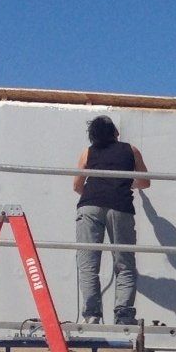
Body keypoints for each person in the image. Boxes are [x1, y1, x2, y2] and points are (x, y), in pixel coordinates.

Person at [73, 116, 149, 324]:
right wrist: (129, 185)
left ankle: (92, 316)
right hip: (120, 206)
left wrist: (93, 196)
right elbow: (144, 181)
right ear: (115, 132)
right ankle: (123, 315)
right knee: (124, 264)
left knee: (88, 263)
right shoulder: (131, 150)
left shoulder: (88, 152)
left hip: (90, 205)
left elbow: (77, 185)